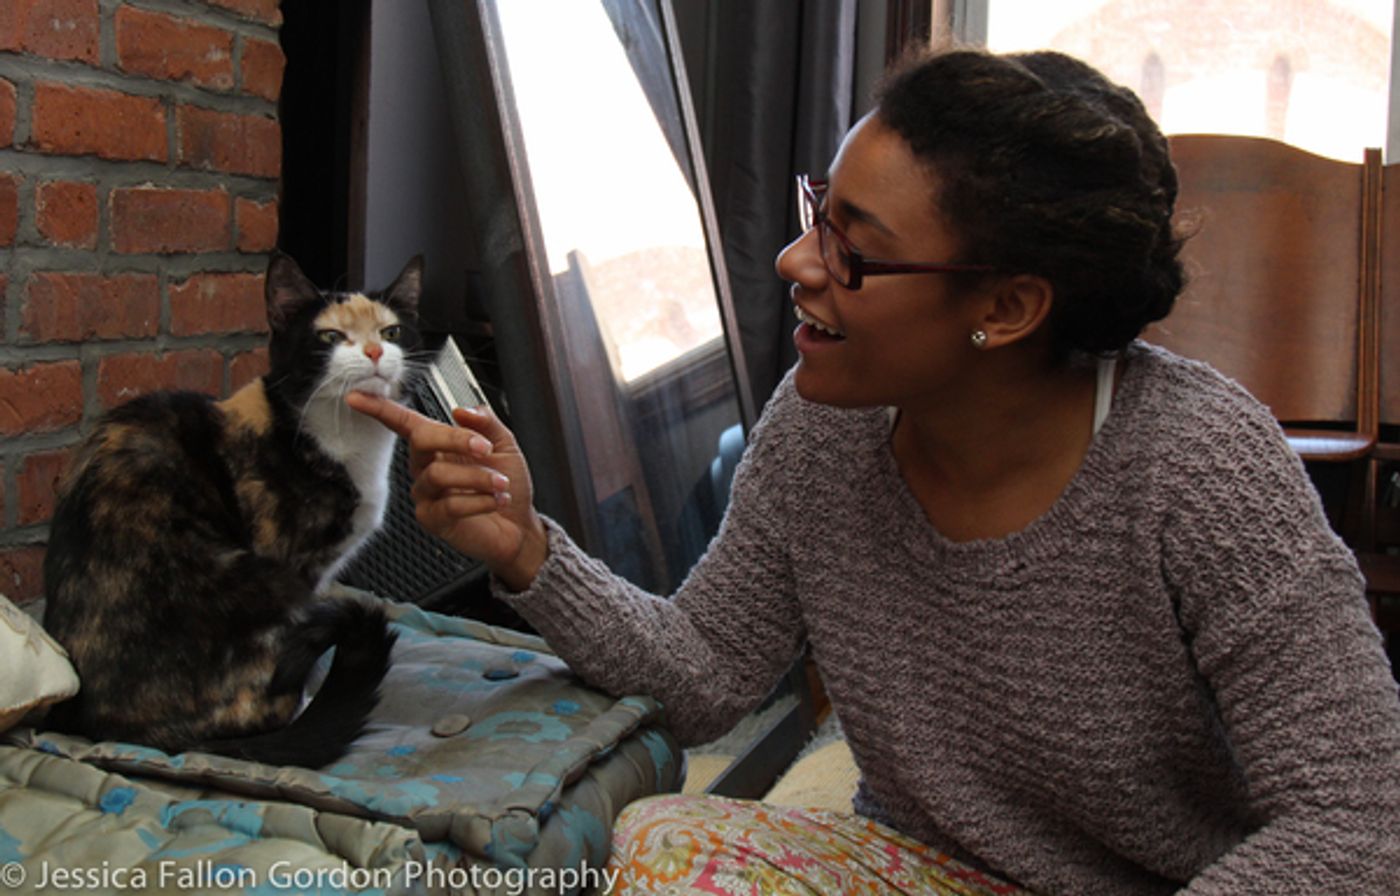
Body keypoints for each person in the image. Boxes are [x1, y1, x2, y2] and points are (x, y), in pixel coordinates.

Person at [347, 47, 1400, 895]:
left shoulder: (1200, 465)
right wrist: (528, 547)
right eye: (818, 211)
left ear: (1005, 308)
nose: (794, 264)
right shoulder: (821, 432)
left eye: (852, 247)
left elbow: (1360, 813)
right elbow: (707, 671)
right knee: (668, 840)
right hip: (924, 869)